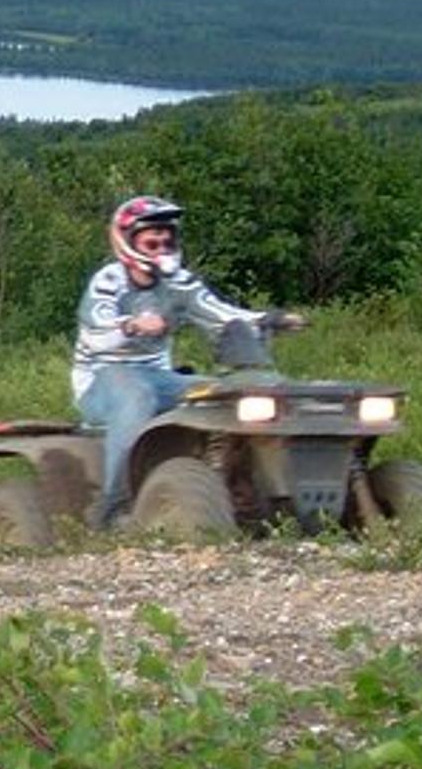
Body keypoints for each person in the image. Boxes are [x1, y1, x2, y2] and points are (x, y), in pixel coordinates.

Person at [71, 195, 281, 529]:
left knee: (228, 394)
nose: (161, 249)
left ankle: (240, 486)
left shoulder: (178, 282)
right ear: (127, 242)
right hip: (102, 378)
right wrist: (131, 324)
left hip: (159, 376)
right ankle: (113, 508)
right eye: (151, 242)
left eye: (167, 241)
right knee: (136, 397)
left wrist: (265, 320)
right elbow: (97, 328)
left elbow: (218, 313)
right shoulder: (108, 281)